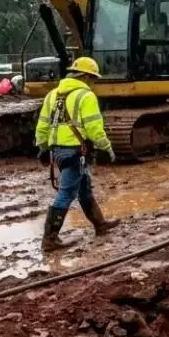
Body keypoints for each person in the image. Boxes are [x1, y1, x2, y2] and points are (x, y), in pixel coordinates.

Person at [35, 56, 120, 252]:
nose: (93, 83)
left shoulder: (52, 95)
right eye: (92, 79)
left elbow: (42, 125)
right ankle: (50, 239)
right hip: (75, 151)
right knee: (66, 193)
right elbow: (94, 128)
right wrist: (106, 147)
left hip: (59, 151)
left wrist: (42, 147)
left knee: (84, 188)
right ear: (84, 77)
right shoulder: (85, 96)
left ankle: (100, 225)